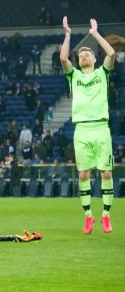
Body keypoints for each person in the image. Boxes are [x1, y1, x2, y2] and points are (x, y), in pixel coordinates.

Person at [61, 17, 116, 234]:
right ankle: (88, 216)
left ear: (94, 59)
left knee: (105, 173)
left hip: (101, 128)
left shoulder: (103, 73)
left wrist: (95, 34)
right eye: (81, 54)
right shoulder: (73, 76)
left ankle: (105, 215)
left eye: (88, 53)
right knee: (83, 175)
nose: (83, 55)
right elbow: (63, 57)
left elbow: (111, 54)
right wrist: (67, 35)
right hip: (82, 129)